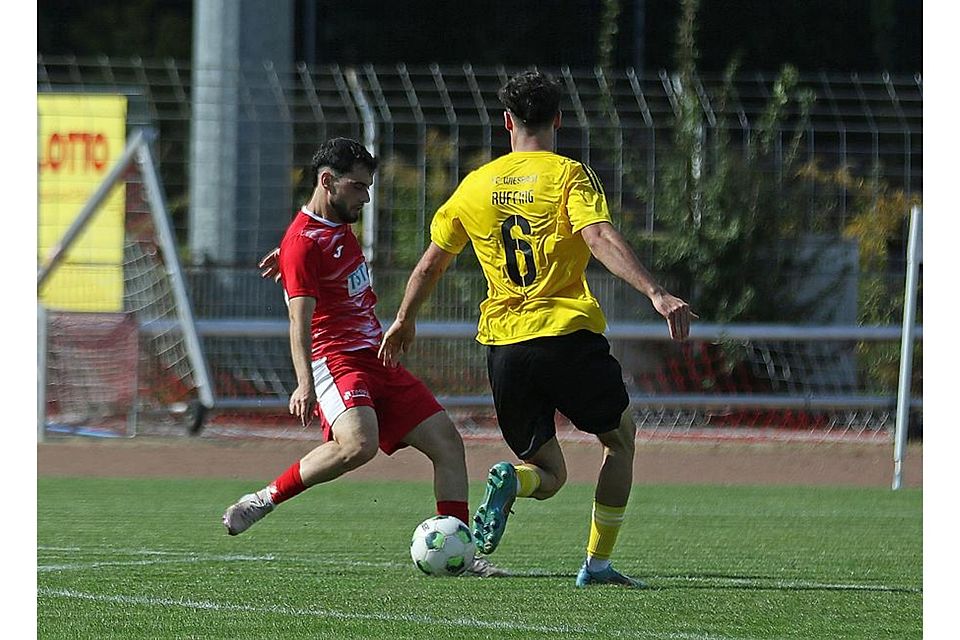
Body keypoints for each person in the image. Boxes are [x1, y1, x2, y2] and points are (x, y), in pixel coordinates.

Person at [377, 71, 695, 588]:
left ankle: (513, 479)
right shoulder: (569, 175)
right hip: (566, 335)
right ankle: (596, 566)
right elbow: (597, 236)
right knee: (619, 442)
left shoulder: (476, 184)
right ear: (558, 121)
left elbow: (431, 263)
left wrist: (404, 319)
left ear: (507, 121)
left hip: (504, 348)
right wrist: (655, 292)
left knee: (550, 475)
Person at [221, 137, 506, 578]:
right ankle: (263, 500)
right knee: (359, 445)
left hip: (377, 357)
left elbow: (321, 253)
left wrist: (295, 253)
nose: (367, 197)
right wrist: (304, 382)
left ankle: (462, 555)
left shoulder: (330, 225)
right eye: (358, 187)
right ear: (327, 181)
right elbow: (299, 320)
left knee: (448, 443)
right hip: (336, 359)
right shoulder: (302, 243)